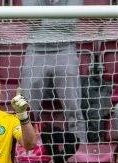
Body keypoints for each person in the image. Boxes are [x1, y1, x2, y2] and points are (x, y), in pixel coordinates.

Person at [19, 0, 87, 143]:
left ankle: (81, 148)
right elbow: (32, 20)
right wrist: (58, 20)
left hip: (65, 49)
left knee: (73, 107)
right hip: (36, 50)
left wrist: (43, 20)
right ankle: (27, 147)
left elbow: (70, 21)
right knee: (27, 109)